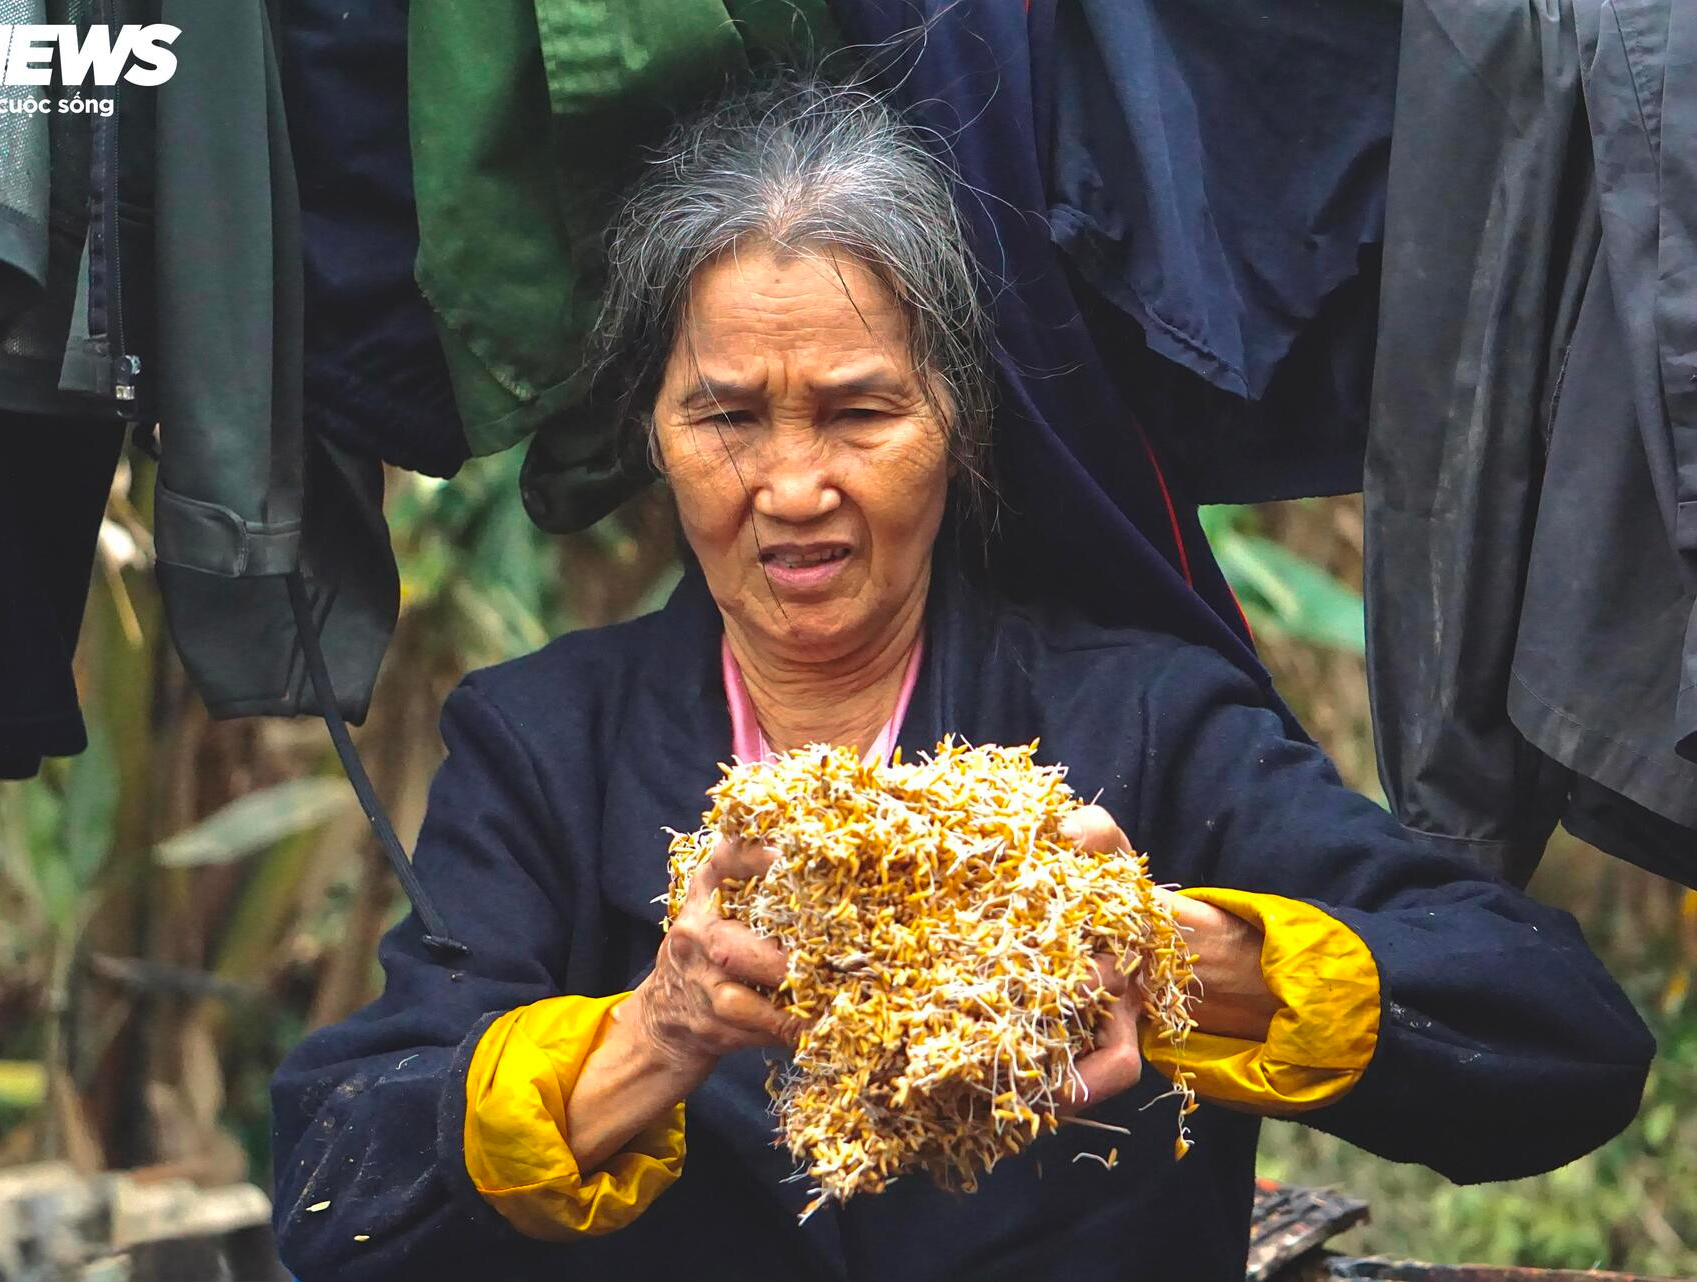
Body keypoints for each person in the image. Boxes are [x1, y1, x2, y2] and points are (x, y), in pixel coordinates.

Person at [270, 79, 1653, 1282]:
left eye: (861, 409)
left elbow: (1558, 1040)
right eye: (729, 415)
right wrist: (655, 1031)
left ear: (955, 420)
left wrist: (1167, 953)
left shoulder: (1145, 717)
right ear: (656, 428)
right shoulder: (545, 745)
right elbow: (343, 1192)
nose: (794, 483)